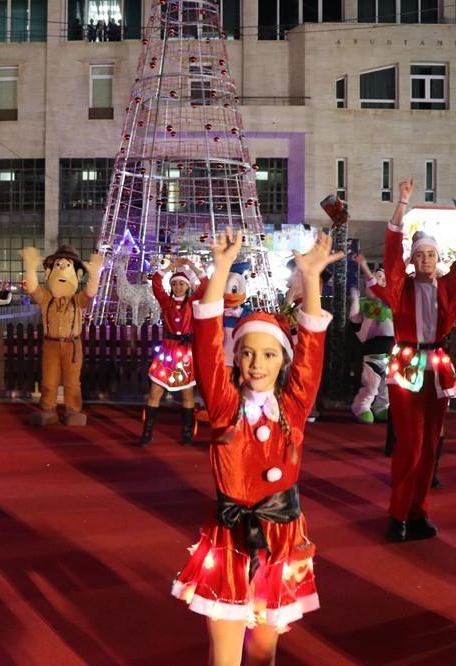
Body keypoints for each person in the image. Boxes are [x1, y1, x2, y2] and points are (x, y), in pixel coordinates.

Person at [171, 227, 339, 665]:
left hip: (281, 539)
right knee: (226, 655)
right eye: (247, 353)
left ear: (283, 360)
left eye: (269, 355)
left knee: (264, 653)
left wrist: (311, 280)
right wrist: (222, 268)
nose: (257, 364)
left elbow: (312, 353)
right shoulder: (224, 406)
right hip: (229, 538)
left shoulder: (294, 408)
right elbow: (207, 346)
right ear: (236, 357)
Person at [371, 180, 456, 543]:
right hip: (406, 369)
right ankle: (397, 515)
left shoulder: (447, 287)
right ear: (412, 260)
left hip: (438, 371)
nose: (426, 260)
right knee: (411, 446)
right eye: (420, 256)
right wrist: (402, 202)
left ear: (437, 258)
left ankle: (418, 512)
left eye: (431, 255)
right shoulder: (400, 288)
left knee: (431, 447)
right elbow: (391, 254)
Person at [138, 257, 208, 447]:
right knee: (155, 391)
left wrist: (191, 266)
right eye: (175, 284)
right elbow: (156, 281)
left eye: (181, 284)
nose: (178, 287)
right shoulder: (166, 302)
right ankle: (147, 433)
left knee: (187, 394)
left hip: (185, 354)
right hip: (167, 352)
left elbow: (205, 284)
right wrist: (171, 267)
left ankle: (187, 433)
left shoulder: (193, 302)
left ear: (187, 286)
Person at [349, 256, 393, 424]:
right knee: (371, 383)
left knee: (387, 384)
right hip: (372, 350)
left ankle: (382, 407)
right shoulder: (365, 304)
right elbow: (354, 321)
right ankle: (362, 406)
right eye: (378, 277)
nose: (381, 281)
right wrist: (355, 300)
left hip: (391, 351)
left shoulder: (393, 304)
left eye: (384, 279)